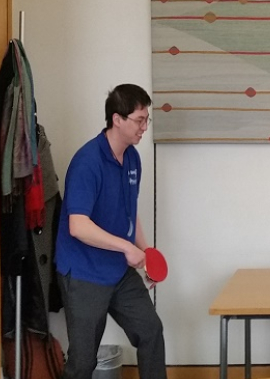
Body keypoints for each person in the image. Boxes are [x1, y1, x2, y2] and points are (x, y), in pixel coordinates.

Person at [55, 84, 165, 379]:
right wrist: (127, 248)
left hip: (117, 270)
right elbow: (78, 226)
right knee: (83, 361)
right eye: (139, 120)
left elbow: (130, 212)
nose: (144, 127)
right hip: (84, 273)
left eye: (146, 119)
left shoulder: (132, 158)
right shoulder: (87, 162)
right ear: (117, 119)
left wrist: (146, 254)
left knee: (150, 330)